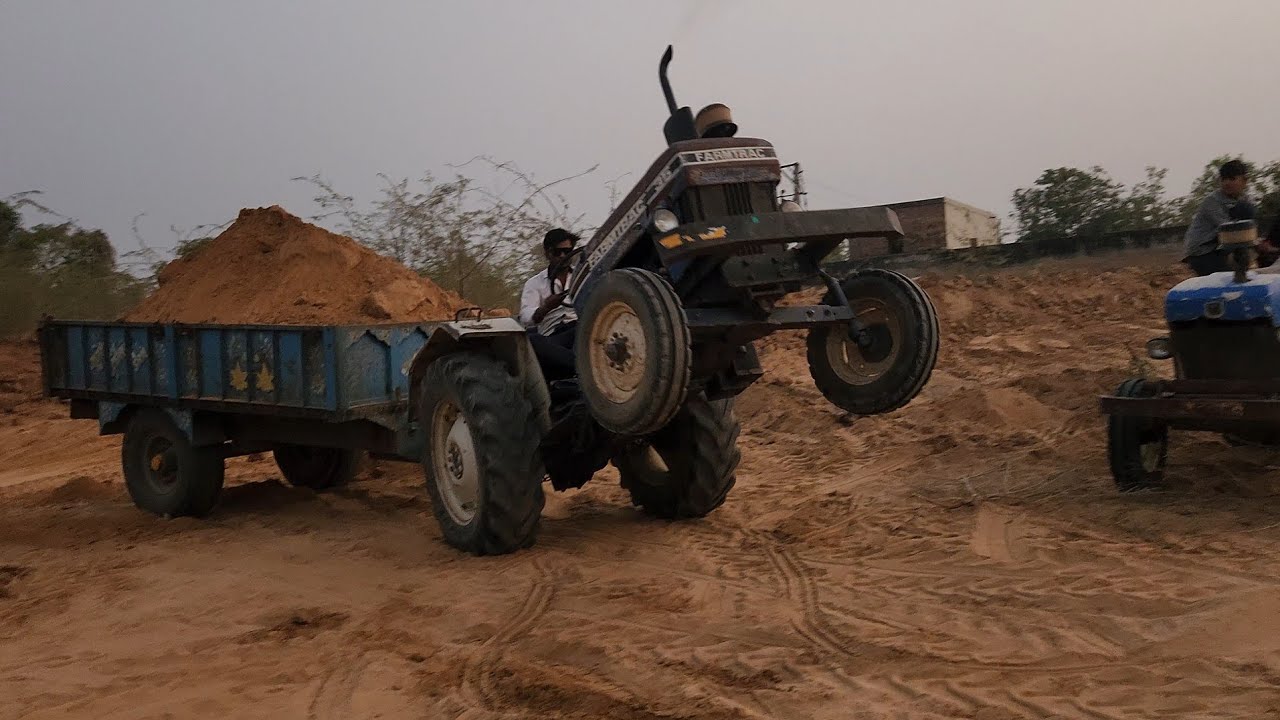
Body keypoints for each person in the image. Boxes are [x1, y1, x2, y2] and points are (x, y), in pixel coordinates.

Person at [519, 228, 580, 379]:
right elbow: (526, 317)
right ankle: (582, 366)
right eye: (558, 252)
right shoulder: (534, 283)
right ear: (547, 253)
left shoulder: (582, 276)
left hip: (580, 328)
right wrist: (546, 307)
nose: (563, 256)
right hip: (552, 337)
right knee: (531, 341)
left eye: (568, 251)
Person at [1182, 160, 1255, 276]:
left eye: (1232, 179)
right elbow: (1230, 231)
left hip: (1220, 248)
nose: (1227, 183)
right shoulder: (1212, 201)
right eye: (1223, 179)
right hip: (1202, 252)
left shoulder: (1244, 200)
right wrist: (1256, 244)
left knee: (1246, 208)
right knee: (1229, 278)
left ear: (1245, 181)